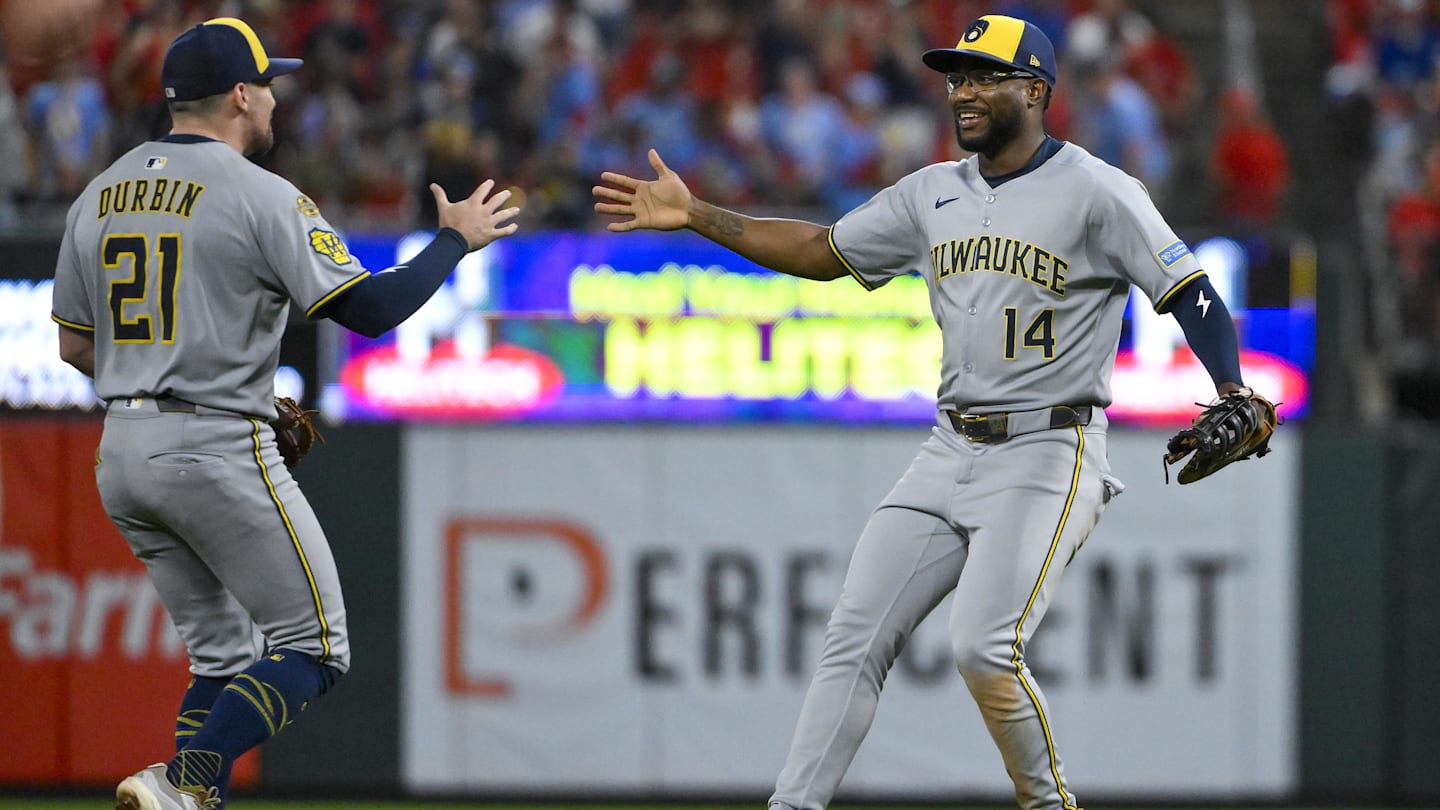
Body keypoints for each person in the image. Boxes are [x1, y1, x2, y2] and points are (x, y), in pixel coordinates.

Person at [594, 14, 1263, 810]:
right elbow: (819, 253)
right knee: (853, 636)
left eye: (984, 76)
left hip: (1050, 449)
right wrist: (700, 214)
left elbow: (1190, 292)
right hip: (950, 447)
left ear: (1035, 90)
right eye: (958, 77)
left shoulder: (1099, 190)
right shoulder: (930, 192)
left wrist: (1231, 388)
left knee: (983, 649)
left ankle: (1050, 804)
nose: (965, 91)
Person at [49, 17, 520, 810]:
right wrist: (452, 242)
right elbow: (372, 309)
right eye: (267, 84)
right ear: (239, 94)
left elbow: (72, 347)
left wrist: (213, 386)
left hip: (121, 451)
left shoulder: (99, 194)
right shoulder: (261, 193)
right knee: (318, 647)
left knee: (223, 658)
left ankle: (182, 797)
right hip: (213, 446)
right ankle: (187, 778)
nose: (273, 99)